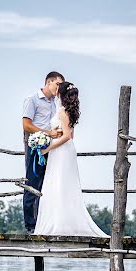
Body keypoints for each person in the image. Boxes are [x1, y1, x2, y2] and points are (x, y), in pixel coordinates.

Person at [34, 81, 109, 237]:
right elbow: (70, 134)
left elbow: (68, 136)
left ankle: (60, 225)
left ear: (60, 94)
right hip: (63, 151)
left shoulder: (62, 111)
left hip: (61, 151)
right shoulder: (68, 111)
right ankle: (61, 222)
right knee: (61, 184)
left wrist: (47, 148)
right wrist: (53, 132)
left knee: (61, 184)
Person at [22, 71, 65, 233]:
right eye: (57, 84)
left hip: (52, 149)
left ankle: (43, 223)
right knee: (32, 183)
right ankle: (30, 225)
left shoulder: (56, 102)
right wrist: (48, 133)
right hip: (36, 148)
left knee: (47, 185)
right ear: (49, 82)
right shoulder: (32, 99)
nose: (59, 88)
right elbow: (26, 125)